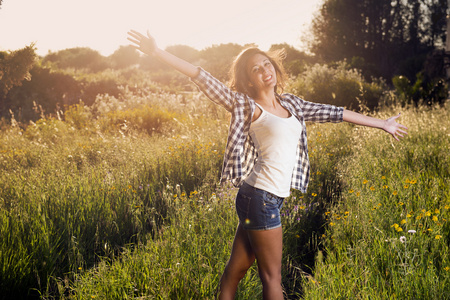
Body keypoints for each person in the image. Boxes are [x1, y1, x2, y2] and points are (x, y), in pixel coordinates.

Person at [127, 30, 408, 300]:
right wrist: (157, 52)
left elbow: (336, 113)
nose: (265, 70)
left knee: (234, 272)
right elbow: (203, 77)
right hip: (260, 198)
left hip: (262, 198)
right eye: (256, 69)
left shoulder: (292, 105)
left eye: (266, 64)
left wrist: (383, 124)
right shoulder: (248, 106)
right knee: (272, 277)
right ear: (249, 81)